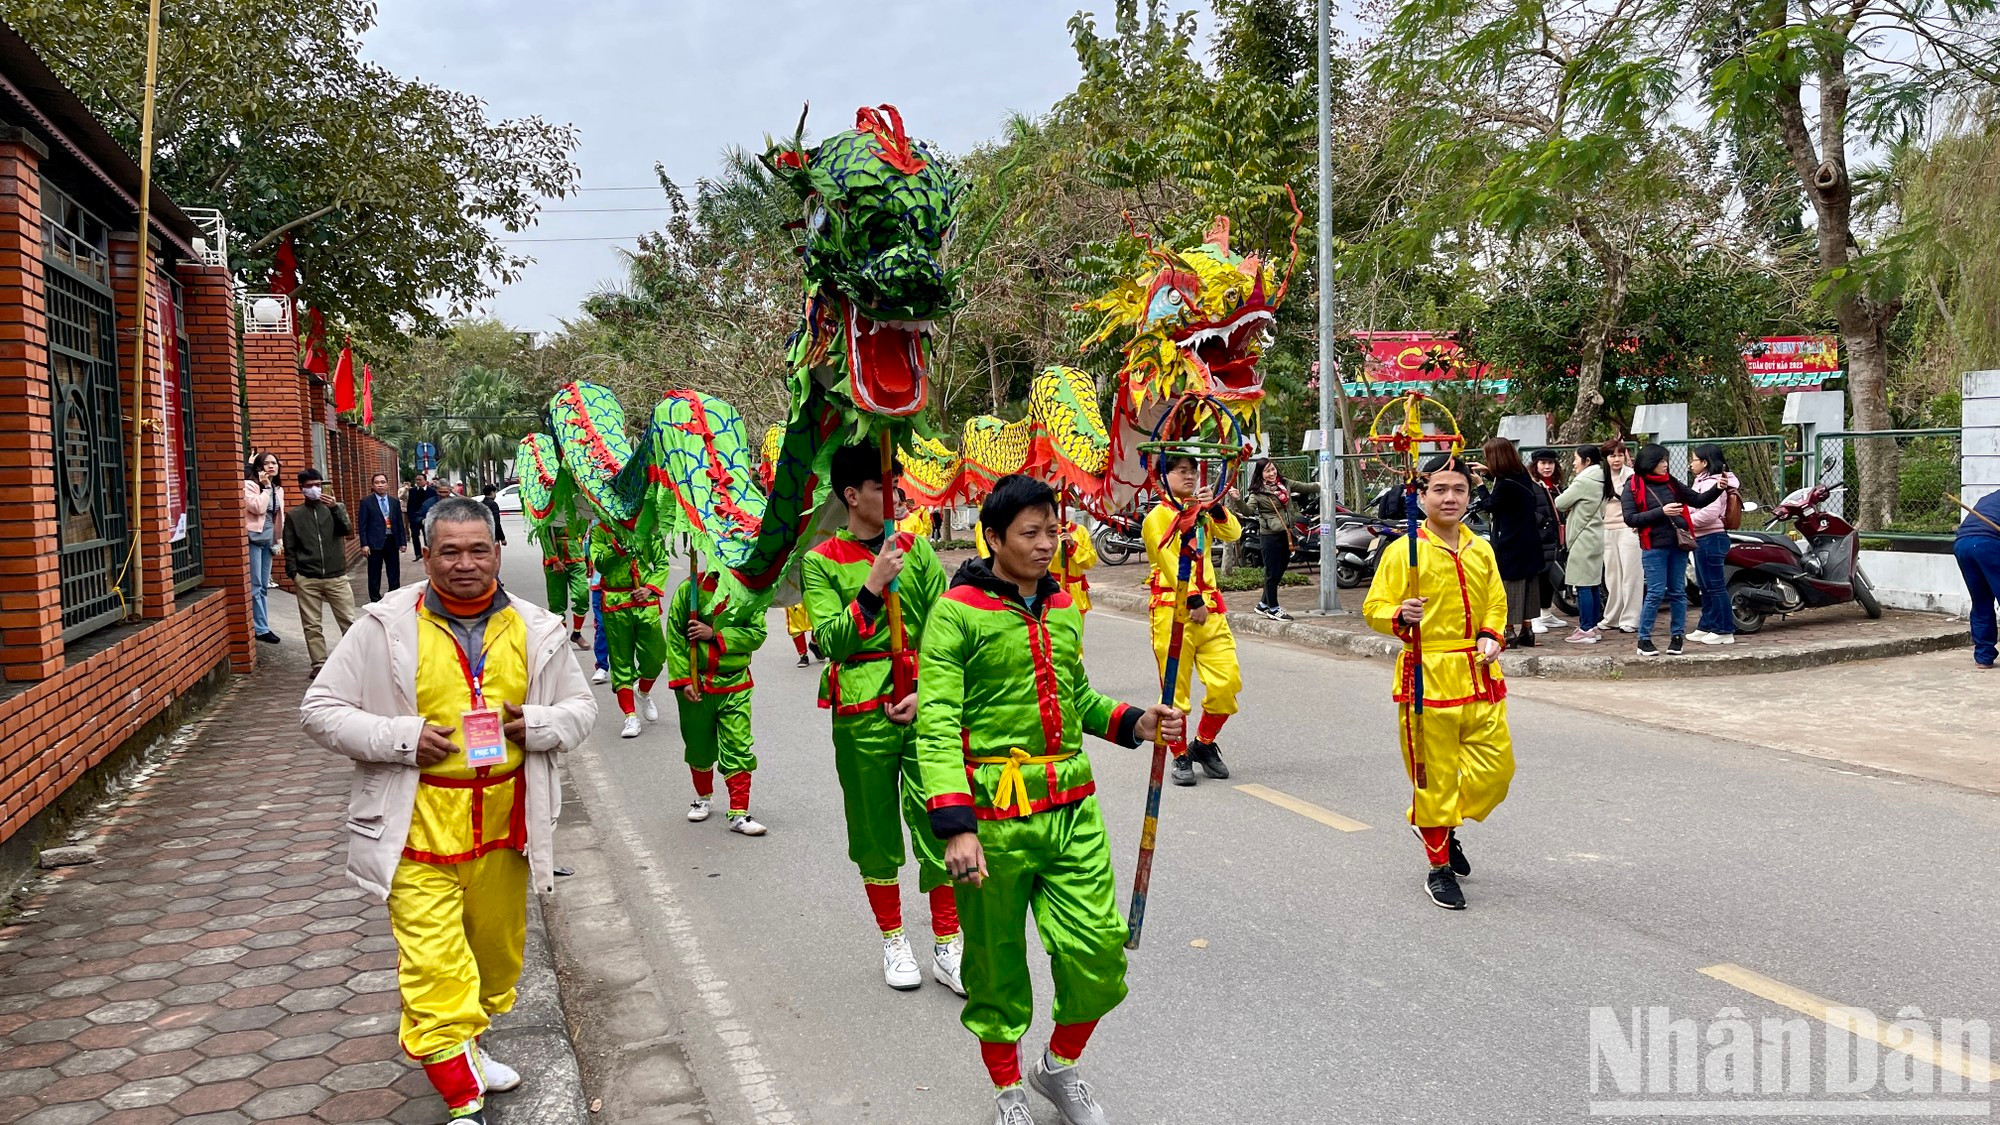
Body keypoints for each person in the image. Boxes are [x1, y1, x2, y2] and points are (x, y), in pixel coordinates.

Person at [300, 495, 596, 1125]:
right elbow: (320, 709)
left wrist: (536, 723)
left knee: (494, 960)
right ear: (425, 554)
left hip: (505, 829)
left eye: (478, 549)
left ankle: (471, 1045)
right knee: (435, 966)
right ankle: (462, 1098)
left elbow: (581, 710)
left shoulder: (538, 629)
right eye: (450, 551)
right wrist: (400, 739)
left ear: (498, 551)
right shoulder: (383, 627)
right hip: (414, 828)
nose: (465, 563)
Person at [917, 474, 1185, 1125]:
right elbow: (935, 720)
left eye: (1053, 528)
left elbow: (1076, 699)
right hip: (993, 821)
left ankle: (1056, 1067)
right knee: (996, 968)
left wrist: (1136, 721)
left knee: (1097, 952)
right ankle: (1008, 1088)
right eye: (1030, 532)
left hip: (1072, 812)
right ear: (994, 537)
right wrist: (957, 826)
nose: (1047, 543)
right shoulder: (955, 612)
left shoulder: (1064, 606)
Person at [801, 442, 961, 994]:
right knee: (874, 830)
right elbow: (830, 643)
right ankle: (893, 940)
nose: (892, 498)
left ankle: (948, 944)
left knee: (942, 819)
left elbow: (946, 627)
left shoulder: (915, 550)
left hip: (921, 704)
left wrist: (927, 689)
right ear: (852, 495)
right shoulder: (820, 560)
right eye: (880, 488)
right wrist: (871, 587)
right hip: (860, 714)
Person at [1362, 453, 1514, 910]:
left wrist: (1492, 635)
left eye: (1459, 490)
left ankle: (1439, 824)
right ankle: (1438, 865)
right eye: (1440, 490)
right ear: (1422, 494)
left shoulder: (1481, 547)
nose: (1450, 498)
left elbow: (1497, 603)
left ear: (1470, 495)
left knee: (1496, 773)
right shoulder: (1402, 551)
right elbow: (1374, 609)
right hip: (1426, 675)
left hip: (1480, 672)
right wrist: (1398, 615)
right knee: (1434, 778)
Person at [1143, 453, 1243, 787]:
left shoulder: (1199, 512)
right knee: (1175, 691)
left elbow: (1233, 533)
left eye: (1192, 472)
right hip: (1174, 610)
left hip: (1211, 612)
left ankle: (1202, 743)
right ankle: (1178, 755)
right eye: (1181, 472)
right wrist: (1194, 599)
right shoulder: (1157, 516)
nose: (1189, 477)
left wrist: (1214, 507)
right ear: (1164, 476)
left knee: (1226, 684)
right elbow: (1170, 560)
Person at [666, 569, 769, 835]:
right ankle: (702, 797)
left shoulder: (749, 592)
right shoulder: (690, 590)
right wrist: (683, 679)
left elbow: (757, 634)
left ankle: (739, 812)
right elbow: (676, 638)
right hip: (696, 685)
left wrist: (715, 634)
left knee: (739, 745)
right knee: (698, 745)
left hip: (735, 684)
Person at [1621, 444, 1732, 657]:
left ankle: (1677, 638)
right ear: (1650, 463)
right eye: (1661, 461)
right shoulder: (1633, 485)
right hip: (1653, 546)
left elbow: (1697, 500)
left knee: (1678, 592)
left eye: (1666, 461)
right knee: (1654, 592)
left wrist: (1718, 488)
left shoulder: (1671, 482)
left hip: (1678, 544)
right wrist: (1660, 512)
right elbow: (1630, 518)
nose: (1665, 465)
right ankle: (1644, 639)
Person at [590, 522, 666, 739]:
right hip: (615, 602)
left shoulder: (648, 529)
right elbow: (601, 565)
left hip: (644, 601)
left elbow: (661, 563)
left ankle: (642, 691)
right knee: (621, 661)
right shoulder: (600, 532)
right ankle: (630, 715)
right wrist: (617, 545)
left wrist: (649, 588)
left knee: (656, 657)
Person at [283, 468, 358, 679]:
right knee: (312, 624)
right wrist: (294, 573)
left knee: (349, 621)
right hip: (307, 577)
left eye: (318, 485)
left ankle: (354, 660)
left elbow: (347, 530)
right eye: (309, 486)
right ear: (301, 489)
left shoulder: (334, 509)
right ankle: (319, 664)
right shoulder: (294, 515)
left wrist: (335, 508)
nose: (314, 490)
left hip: (336, 575)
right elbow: (290, 547)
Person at [1476, 438, 1546, 649]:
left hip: (1510, 543)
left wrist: (1480, 484)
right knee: (1529, 585)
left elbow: (1489, 505)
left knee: (1509, 587)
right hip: (1529, 541)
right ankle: (1528, 629)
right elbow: (1506, 483)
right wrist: (1487, 472)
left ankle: (1509, 631)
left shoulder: (1505, 485)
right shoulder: (1521, 474)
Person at [1553, 445, 1613, 643]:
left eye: (1576, 459)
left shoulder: (1585, 480)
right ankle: (1593, 626)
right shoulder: (1603, 477)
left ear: (1587, 461)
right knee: (1593, 583)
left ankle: (1585, 629)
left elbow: (1560, 502)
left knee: (1583, 586)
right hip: (1595, 535)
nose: (1574, 463)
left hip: (1582, 537)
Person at [1240, 458, 1309, 622]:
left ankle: (1263, 604)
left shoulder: (1284, 484)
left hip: (1285, 533)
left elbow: (1305, 487)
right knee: (1272, 573)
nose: (1272, 473)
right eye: (1267, 471)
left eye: (1273, 469)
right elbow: (1249, 511)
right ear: (1260, 474)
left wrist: (1323, 484)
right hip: (1269, 536)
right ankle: (1273, 608)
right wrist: (1237, 499)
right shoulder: (1257, 494)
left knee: (1281, 568)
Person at [1686, 444, 1741, 646]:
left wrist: (1687, 521)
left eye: (1693, 460)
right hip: (1701, 537)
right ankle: (1707, 625)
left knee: (1715, 586)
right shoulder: (1701, 481)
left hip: (1712, 537)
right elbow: (1691, 506)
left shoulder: (1716, 483)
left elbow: (1708, 514)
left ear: (1705, 462)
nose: (1691, 464)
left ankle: (1724, 629)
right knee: (1706, 586)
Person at [1600, 441, 1642, 633]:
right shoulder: (1600, 477)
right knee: (1612, 576)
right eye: (1612, 455)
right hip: (1606, 530)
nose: (1616, 459)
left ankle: (1631, 618)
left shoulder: (1633, 476)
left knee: (1631, 574)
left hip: (1628, 529)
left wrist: (1639, 522)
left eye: (1619, 455)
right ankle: (1612, 617)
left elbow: (1643, 501)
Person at [1955, 489, 2000, 670]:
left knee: (1981, 601)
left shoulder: (1988, 498)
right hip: (1988, 544)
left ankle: (1983, 656)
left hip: (1962, 545)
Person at [243, 453, 284, 645]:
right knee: (256, 585)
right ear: (258, 467)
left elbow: (278, 518)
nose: (270, 466)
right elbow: (258, 508)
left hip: (268, 540)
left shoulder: (278, 489)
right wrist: (265, 487)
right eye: (266, 463)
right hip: (254, 539)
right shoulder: (250, 486)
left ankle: (263, 624)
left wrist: (279, 541)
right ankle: (261, 628)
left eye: (273, 463)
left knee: (264, 585)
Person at [532, 513, 589, 648]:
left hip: (577, 556)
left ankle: (577, 633)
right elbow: (543, 534)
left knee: (582, 595)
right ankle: (561, 636)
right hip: (556, 559)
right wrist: (554, 559)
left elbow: (583, 532)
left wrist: (587, 556)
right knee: (557, 602)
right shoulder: (548, 509)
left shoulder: (579, 507)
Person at [1528, 448, 1567, 633]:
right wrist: (1543, 521)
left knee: (1549, 578)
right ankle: (1534, 617)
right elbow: (1526, 510)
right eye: (1543, 463)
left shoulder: (1556, 486)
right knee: (1537, 578)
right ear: (1535, 465)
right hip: (1539, 538)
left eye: (1550, 463)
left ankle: (1546, 613)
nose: (1547, 467)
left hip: (1555, 538)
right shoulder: (1531, 485)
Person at [357, 472, 408, 602]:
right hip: (374, 543)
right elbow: (362, 525)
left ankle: (394, 597)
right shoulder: (366, 502)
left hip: (391, 541)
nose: (380, 485)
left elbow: (399, 523)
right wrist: (364, 544)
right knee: (374, 573)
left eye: (382, 482)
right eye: (377, 483)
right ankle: (375, 599)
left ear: (387, 484)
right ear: (373, 486)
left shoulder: (394, 502)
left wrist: (403, 542)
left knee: (394, 572)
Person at [406, 476, 437, 559]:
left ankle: (428, 553)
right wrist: (410, 516)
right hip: (415, 517)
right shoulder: (412, 491)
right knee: (415, 535)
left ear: (425, 481)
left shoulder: (432, 491)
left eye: (420, 480)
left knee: (427, 535)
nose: (418, 481)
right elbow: (409, 504)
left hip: (427, 517)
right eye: (417, 480)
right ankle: (417, 554)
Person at [783, 601, 818, 668]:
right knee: (796, 624)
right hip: (793, 595)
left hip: (811, 592)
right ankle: (803, 655)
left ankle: (814, 643)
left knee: (817, 617)